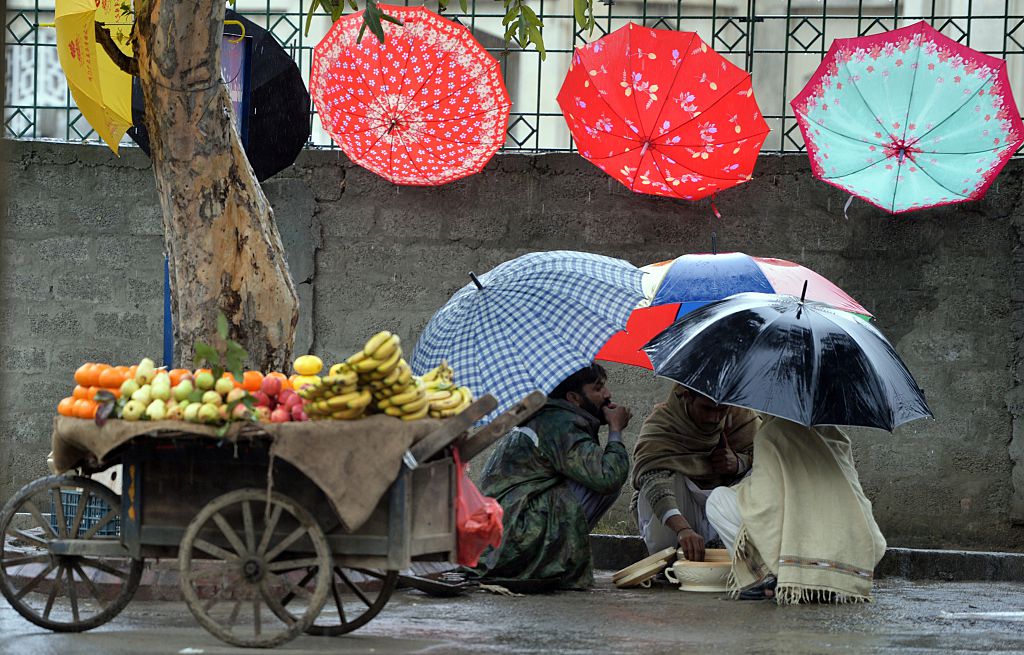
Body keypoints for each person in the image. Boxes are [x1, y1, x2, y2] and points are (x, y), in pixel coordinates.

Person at [470, 363, 632, 590]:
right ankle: (560, 562)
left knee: (598, 469)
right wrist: (616, 430)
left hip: (503, 535)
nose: (607, 394)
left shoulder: (551, 415)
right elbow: (608, 476)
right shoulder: (559, 423)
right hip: (514, 536)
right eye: (597, 389)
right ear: (574, 398)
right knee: (607, 474)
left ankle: (560, 558)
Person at [705, 415, 887, 604]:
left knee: (718, 501)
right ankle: (819, 579)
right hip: (850, 543)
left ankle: (768, 580)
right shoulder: (834, 433)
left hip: (801, 536)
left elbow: (765, 505)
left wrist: (740, 487)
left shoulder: (771, 433)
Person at [631, 385, 760, 561]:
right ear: (687, 397)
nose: (714, 418)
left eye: (721, 410)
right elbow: (652, 476)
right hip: (682, 513)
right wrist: (683, 529)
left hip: (723, 506)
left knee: (762, 475)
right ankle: (669, 558)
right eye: (706, 409)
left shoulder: (739, 415)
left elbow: (767, 455)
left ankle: (740, 553)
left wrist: (738, 463)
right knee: (655, 484)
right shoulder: (663, 423)